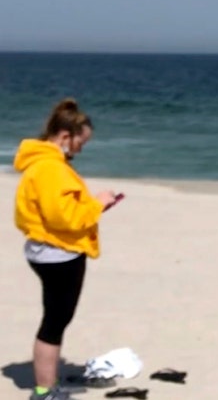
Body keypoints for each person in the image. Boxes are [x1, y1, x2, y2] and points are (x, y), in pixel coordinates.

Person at [13, 99, 118, 400]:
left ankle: (48, 385)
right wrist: (98, 204)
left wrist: (93, 205)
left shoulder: (44, 164)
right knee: (55, 322)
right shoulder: (50, 169)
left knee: (56, 319)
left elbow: (58, 210)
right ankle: (45, 390)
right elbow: (64, 217)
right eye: (79, 143)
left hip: (47, 249)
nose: (80, 149)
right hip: (58, 253)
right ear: (64, 136)